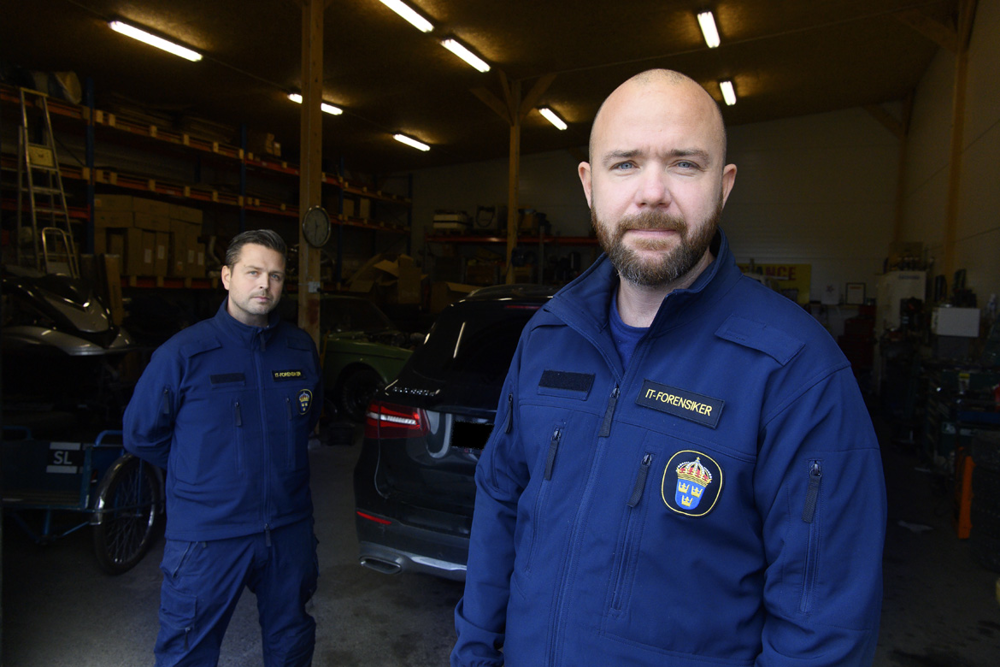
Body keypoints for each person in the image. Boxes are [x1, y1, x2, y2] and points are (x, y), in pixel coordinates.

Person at [451, 69, 886, 666]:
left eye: (684, 163)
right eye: (624, 163)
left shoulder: (796, 372)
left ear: (724, 184)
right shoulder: (548, 338)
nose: (652, 192)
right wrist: (474, 654)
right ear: (588, 184)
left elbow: (823, 626)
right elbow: (499, 507)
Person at [124, 229, 323, 666]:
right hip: (208, 537)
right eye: (252, 272)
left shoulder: (299, 349)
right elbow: (140, 433)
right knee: (188, 652)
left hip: (287, 530)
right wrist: (202, 472)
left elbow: (308, 420)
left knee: (291, 645)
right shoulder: (184, 354)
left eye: (274, 275)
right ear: (226, 276)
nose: (264, 285)